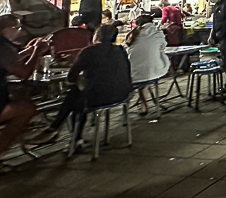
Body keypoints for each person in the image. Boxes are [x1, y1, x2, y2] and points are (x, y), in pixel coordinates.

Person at [31, 24, 132, 146]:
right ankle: (58, 131)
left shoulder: (89, 51)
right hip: (123, 94)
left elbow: (71, 77)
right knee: (77, 94)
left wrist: (76, 67)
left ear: (96, 36)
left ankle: (62, 132)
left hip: (100, 98)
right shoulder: (120, 51)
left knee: (75, 97)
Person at [0, 15, 50, 165]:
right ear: (6, 30)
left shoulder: (4, 46)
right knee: (27, 109)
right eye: (17, 27)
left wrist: (29, 52)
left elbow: (8, 64)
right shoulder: (3, 47)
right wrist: (36, 52)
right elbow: (23, 73)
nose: (20, 31)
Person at [125, 15, 171, 115]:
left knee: (142, 77)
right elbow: (163, 45)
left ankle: (143, 106)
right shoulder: (158, 33)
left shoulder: (133, 35)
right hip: (155, 70)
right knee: (146, 75)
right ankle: (144, 105)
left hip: (134, 73)